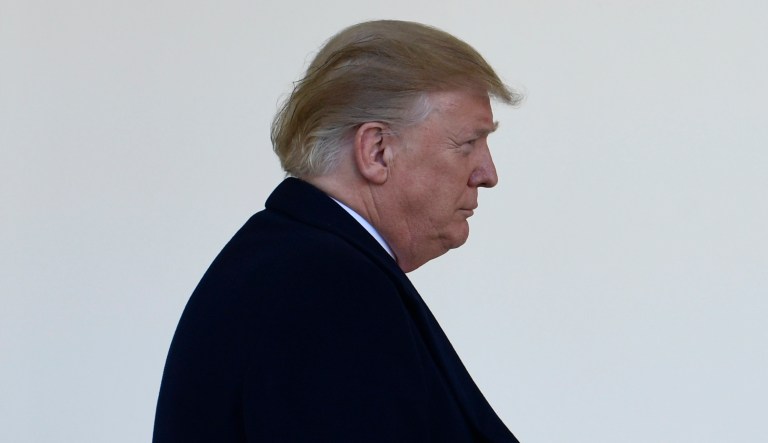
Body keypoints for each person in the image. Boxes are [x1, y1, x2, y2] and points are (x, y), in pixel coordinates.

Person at [153, 20, 522, 442]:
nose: (488, 174)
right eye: (468, 144)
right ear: (377, 151)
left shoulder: (292, 262)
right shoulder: (325, 285)